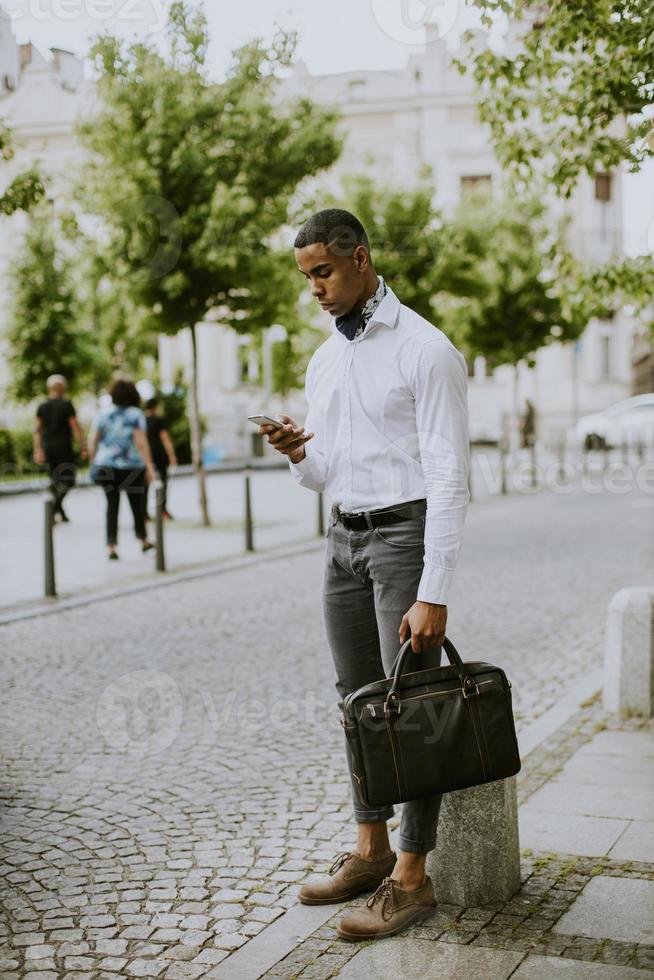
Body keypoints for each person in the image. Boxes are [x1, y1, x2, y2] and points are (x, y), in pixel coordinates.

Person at [262, 209, 470, 941]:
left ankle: (413, 879)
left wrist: (433, 587)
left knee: (410, 707)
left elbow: (449, 478)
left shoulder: (426, 350)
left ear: (361, 258)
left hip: (405, 539)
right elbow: (326, 472)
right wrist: (295, 452)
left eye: (323, 271)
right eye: (306, 276)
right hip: (342, 540)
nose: (314, 288)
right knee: (355, 701)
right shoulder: (328, 358)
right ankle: (370, 849)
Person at [89, 379, 156, 560]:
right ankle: (143, 540)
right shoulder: (135, 415)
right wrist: (150, 467)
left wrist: (93, 460)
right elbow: (141, 443)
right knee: (137, 505)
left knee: (112, 506)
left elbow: (93, 440)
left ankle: (111, 546)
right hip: (132, 466)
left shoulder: (102, 414)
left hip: (106, 465)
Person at [33, 374, 87, 523]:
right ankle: (55, 507)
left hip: (48, 447)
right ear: (63, 388)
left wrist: (38, 449)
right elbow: (75, 427)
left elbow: (36, 430)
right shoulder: (66, 405)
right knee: (68, 480)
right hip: (63, 448)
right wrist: (83, 446)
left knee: (55, 480)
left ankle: (59, 511)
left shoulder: (42, 406)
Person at [144, 397, 177, 520]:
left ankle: (144, 514)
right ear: (155, 408)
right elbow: (165, 438)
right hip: (158, 456)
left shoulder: (140, 421)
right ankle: (162, 510)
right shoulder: (158, 421)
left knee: (144, 486)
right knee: (162, 483)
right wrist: (172, 455)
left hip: (145, 457)